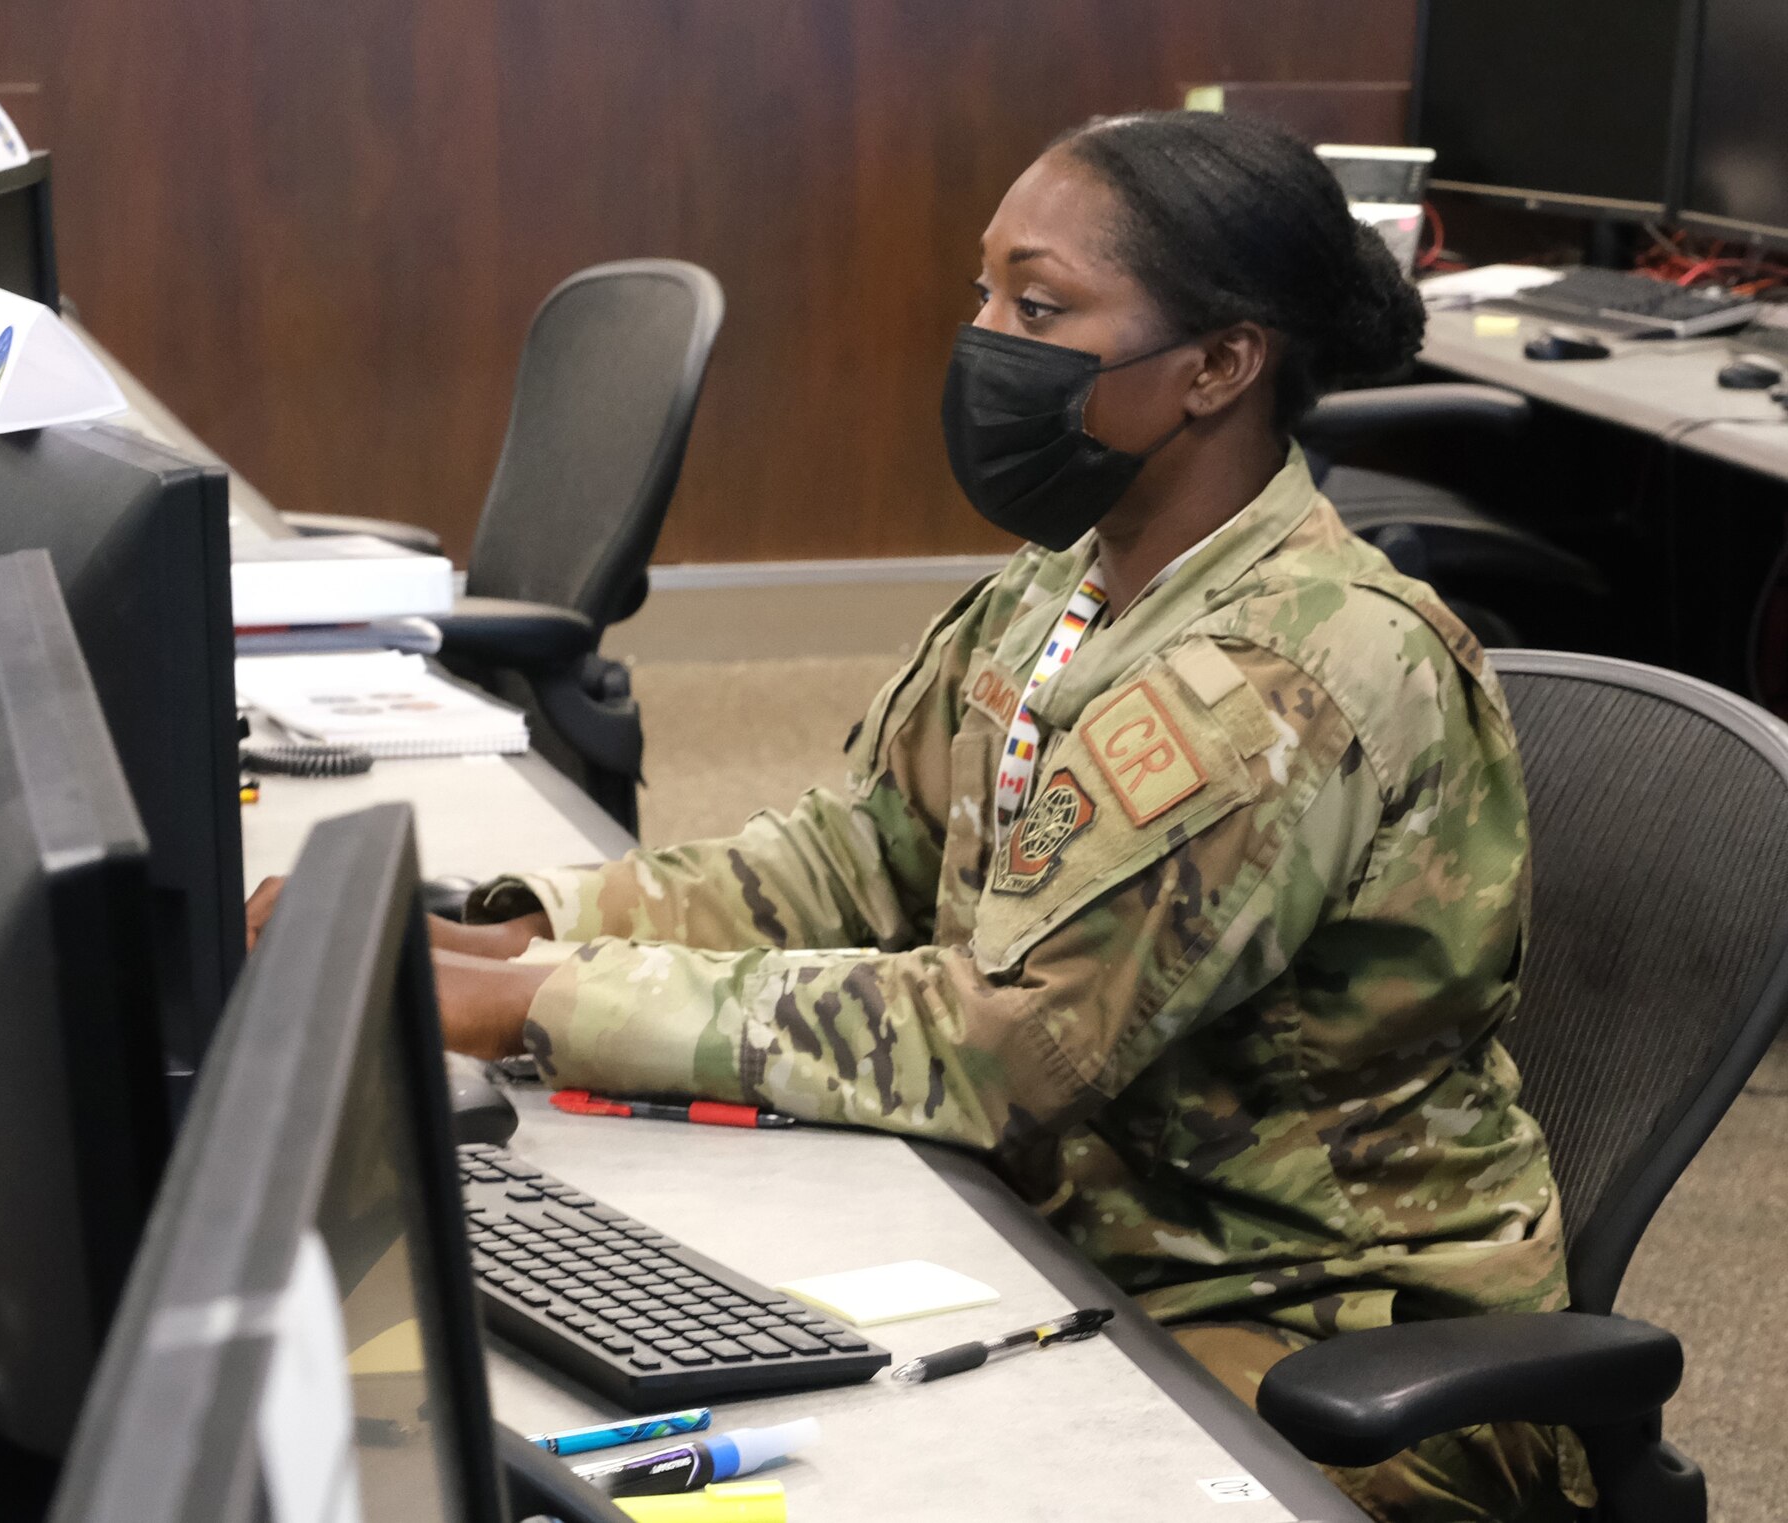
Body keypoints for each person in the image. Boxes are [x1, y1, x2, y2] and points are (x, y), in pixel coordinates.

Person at [251, 111, 1584, 1522]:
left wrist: (538, 1004)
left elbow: (1005, 1045)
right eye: (986, 294)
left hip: (1313, 1333)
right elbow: (859, 854)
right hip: (1065, 1235)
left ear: (1220, 366)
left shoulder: (1280, 680)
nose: (986, 339)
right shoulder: (1072, 579)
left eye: (1041, 303)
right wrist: (518, 925)